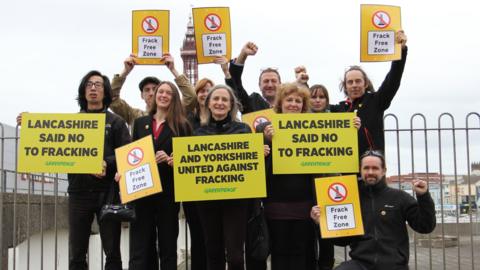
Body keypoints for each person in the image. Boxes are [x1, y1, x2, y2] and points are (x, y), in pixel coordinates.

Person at [311, 150, 436, 270]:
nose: (370, 172)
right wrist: (321, 224)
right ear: (360, 170)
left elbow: (425, 226)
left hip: (394, 265)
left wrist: (423, 196)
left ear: (383, 171)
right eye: (366, 168)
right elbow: (343, 241)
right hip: (360, 264)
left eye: (375, 168)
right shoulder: (351, 200)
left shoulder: (400, 197)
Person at [69, 70, 131, 270]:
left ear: (105, 92)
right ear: (83, 91)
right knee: (77, 252)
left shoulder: (116, 122)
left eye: (98, 84)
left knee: (112, 252)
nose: (93, 88)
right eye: (88, 84)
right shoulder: (72, 123)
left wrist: (105, 162)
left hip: (108, 194)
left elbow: (127, 155)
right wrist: (28, 124)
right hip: (79, 193)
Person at [129, 81, 192, 269]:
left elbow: (188, 160)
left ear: (174, 99)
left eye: (168, 93)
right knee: (140, 247)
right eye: (160, 92)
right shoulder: (140, 123)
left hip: (168, 193)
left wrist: (173, 160)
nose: (163, 95)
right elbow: (132, 155)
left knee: (167, 247)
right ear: (155, 95)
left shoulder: (183, 126)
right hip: (142, 192)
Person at [193, 84, 254, 270]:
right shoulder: (197, 134)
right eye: (216, 99)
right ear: (208, 104)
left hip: (236, 201)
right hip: (207, 201)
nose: (220, 103)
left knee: (235, 256)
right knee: (213, 253)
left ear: (231, 105)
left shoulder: (244, 130)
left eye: (224, 99)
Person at [261, 83, 317, 270]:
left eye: (298, 101)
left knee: (303, 253)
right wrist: (267, 141)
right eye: (289, 100)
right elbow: (257, 169)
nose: (293, 104)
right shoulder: (265, 128)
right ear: (280, 103)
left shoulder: (313, 128)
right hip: (276, 204)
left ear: (303, 105)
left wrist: (351, 128)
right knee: (279, 254)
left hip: (305, 204)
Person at [331, 30, 408, 155]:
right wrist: (302, 83)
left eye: (358, 81)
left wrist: (401, 49)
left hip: (371, 168)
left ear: (365, 83)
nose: (354, 85)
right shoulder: (338, 109)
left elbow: (393, 79)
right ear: (345, 86)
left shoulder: (377, 101)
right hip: (346, 171)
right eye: (350, 82)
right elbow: (310, 107)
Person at [110, 53, 196, 127]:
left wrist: (173, 70)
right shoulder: (135, 116)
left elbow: (191, 97)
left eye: (155, 89)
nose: (151, 93)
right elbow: (112, 99)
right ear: (141, 96)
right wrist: (125, 71)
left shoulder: (174, 113)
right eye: (147, 90)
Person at [229, 42, 280, 114]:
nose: (270, 85)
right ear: (259, 86)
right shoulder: (252, 104)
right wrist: (243, 54)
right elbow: (234, 81)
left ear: (281, 86)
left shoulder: (291, 105)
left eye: (274, 81)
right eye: (266, 81)